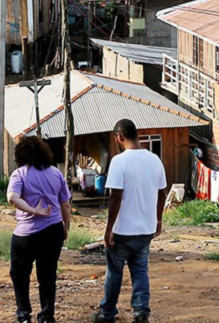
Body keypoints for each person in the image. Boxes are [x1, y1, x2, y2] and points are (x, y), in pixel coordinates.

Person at [93, 119, 167, 323]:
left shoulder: (119, 161)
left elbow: (115, 196)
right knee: (140, 269)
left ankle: (107, 314)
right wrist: (158, 219)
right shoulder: (155, 160)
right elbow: (162, 193)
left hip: (122, 230)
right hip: (145, 228)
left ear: (119, 136)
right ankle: (141, 312)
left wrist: (109, 229)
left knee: (114, 272)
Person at [7, 135, 72, 323]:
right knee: (48, 275)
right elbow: (65, 204)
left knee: (20, 275)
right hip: (53, 231)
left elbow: (12, 197)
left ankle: (24, 315)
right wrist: (65, 226)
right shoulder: (55, 173)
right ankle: (47, 315)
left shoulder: (20, 174)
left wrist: (32, 210)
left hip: (26, 235)